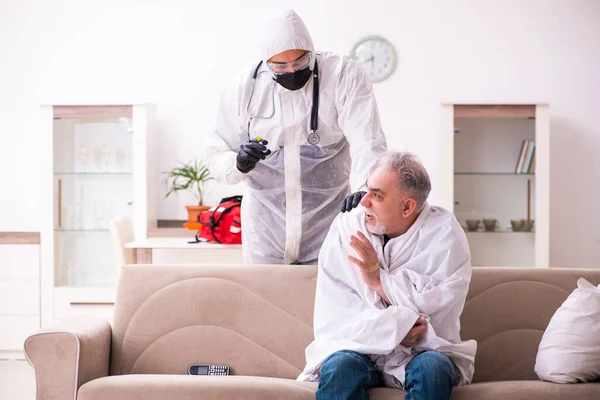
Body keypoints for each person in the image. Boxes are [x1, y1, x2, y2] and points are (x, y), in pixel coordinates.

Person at [204, 9, 387, 265]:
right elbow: (215, 154)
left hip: (328, 223)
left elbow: (369, 141)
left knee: (327, 298)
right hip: (265, 229)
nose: (291, 70)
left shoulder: (342, 75)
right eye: (280, 65)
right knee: (266, 299)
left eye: (300, 61)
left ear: (311, 51)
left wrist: (367, 188)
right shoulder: (244, 86)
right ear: (266, 63)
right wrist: (238, 163)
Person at [297, 151, 477, 399]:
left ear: (407, 206)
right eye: (367, 190)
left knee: (433, 368)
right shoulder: (350, 226)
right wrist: (396, 329)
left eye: (377, 195)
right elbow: (339, 311)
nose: (364, 202)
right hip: (357, 348)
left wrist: (377, 280)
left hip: (422, 351)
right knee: (340, 367)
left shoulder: (444, 235)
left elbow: (435, 310)